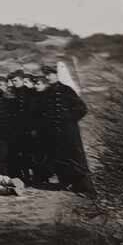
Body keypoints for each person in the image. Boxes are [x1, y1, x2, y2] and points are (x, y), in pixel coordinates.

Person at [38, 64, 93, 194]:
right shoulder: (46, 92)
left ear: (57, 75)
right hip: (54, 132)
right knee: (59, 157)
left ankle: (85, 188)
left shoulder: (67, 90)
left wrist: (69, 119)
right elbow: (42, 113)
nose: (48, 77)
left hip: (69, 131)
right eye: (46, 75)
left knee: (76, 157)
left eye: (50, 74)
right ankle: (66, 183)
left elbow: (82, 109)